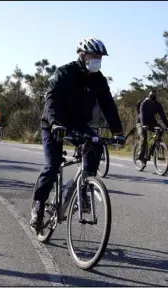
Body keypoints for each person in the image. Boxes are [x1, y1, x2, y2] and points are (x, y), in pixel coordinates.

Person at [30, 36, 126, 230]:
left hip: (77, 123)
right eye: (94, 55)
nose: (98, 59)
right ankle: (38, 207)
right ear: (82, 55)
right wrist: (56, 123)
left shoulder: (99, 79)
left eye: (100, 57)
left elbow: (108, 105)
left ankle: (83, 187)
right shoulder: (64, 73)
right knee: (53, 165)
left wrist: (118, 131)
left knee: (96, 144)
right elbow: (51, 101)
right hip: (53, 124)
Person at [136, 90, 168, 167]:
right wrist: (143, 125)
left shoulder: (157, 105)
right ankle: (140, 156)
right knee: (144, 138)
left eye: (154, 95)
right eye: (151, 95)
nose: (152, 97)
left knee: (161, 130)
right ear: (148, 95)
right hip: (141, 122)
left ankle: (151, 152)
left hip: (151, 122)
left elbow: (163, 116)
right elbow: (142, 114)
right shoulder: (144, 103)